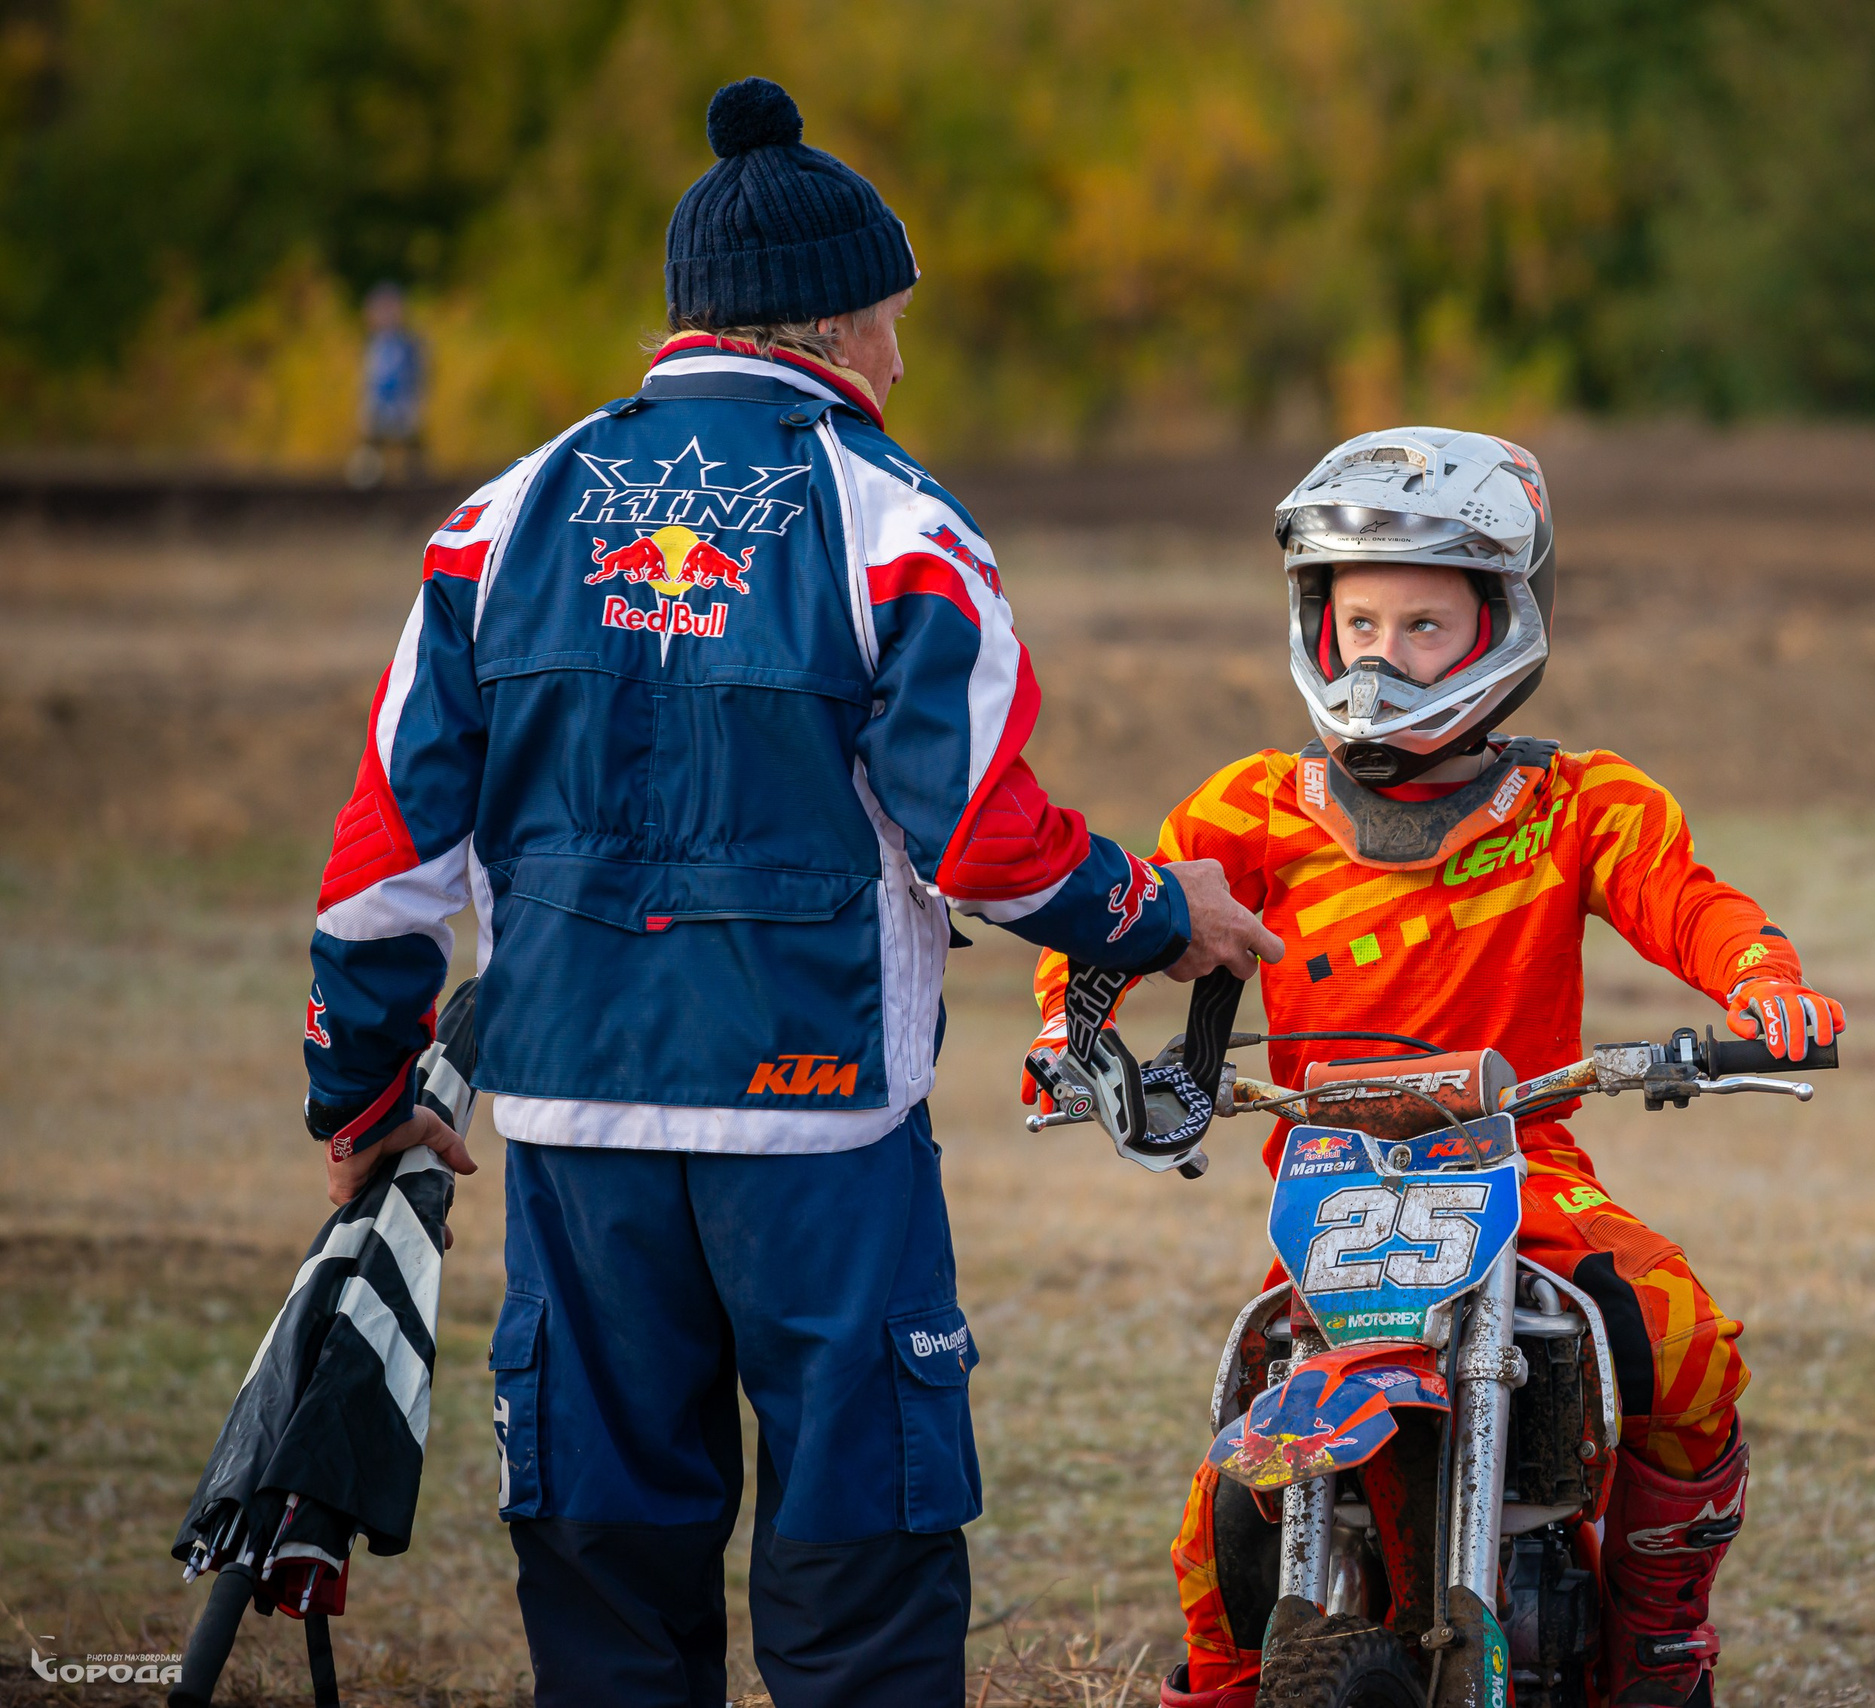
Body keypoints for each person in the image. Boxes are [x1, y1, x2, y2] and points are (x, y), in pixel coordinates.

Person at [298, 77, 1278, 1708]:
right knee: (862, 1599)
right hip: (819, 1139)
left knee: (608, 1589)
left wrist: (362, 1099)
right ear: (826, 322)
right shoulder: (899, 527)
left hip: (567, 1131)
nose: (899, 361)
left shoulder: (494, 522)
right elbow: (978, 834)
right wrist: (1161, 915)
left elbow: (382, 872)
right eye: (891, 322)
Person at [1021, 428, 1845, 1708]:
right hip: (1332, 1195)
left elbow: (1687, 902)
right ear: (1312, 618)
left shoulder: (1581, 804)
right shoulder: (1248, 809)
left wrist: (1764, 984)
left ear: (1502, 621)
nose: (1378, 656)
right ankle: (1225, 1685)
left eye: (1420, 626)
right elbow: (1117, 918)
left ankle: (1661, 1634)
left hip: (1525, 1172)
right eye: (1356, 621)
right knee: (1215, 1506)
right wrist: (1065, 1034)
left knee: (1680, 1343)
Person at [350, 282, 425, 487]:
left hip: (402, 405)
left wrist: (414, 404)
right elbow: (369, 380)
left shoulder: (408, 343)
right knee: (371, 446)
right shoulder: (375, 344)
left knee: (411, 444)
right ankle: (368, 481)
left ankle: (417, 481)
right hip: (379, 406)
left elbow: (416, 376)